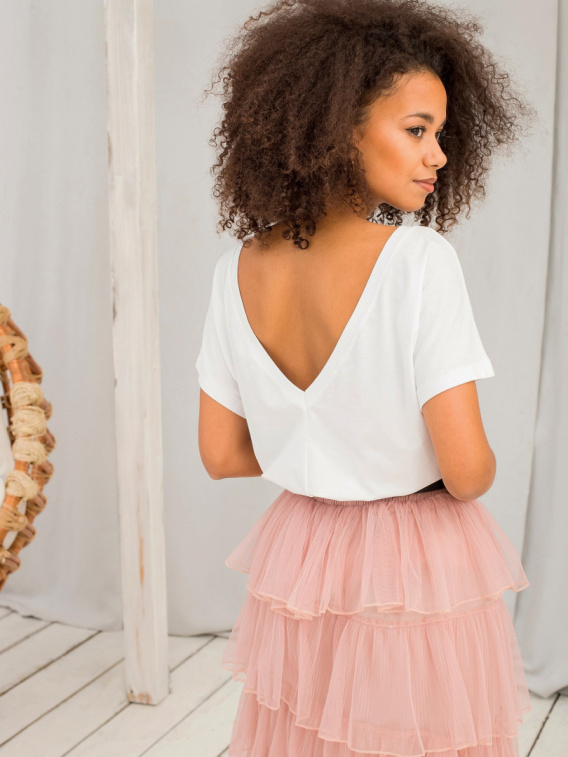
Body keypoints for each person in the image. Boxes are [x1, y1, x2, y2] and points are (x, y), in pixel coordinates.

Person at [195, 0, 537, 753]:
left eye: (440, 134)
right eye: (417, 130)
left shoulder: (237, 269)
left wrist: (327, 455)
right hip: (413, 555)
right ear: (340, 128)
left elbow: (220, 453)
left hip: (301, 551)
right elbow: (466, 471)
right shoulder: (417, 260)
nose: (438, 155)